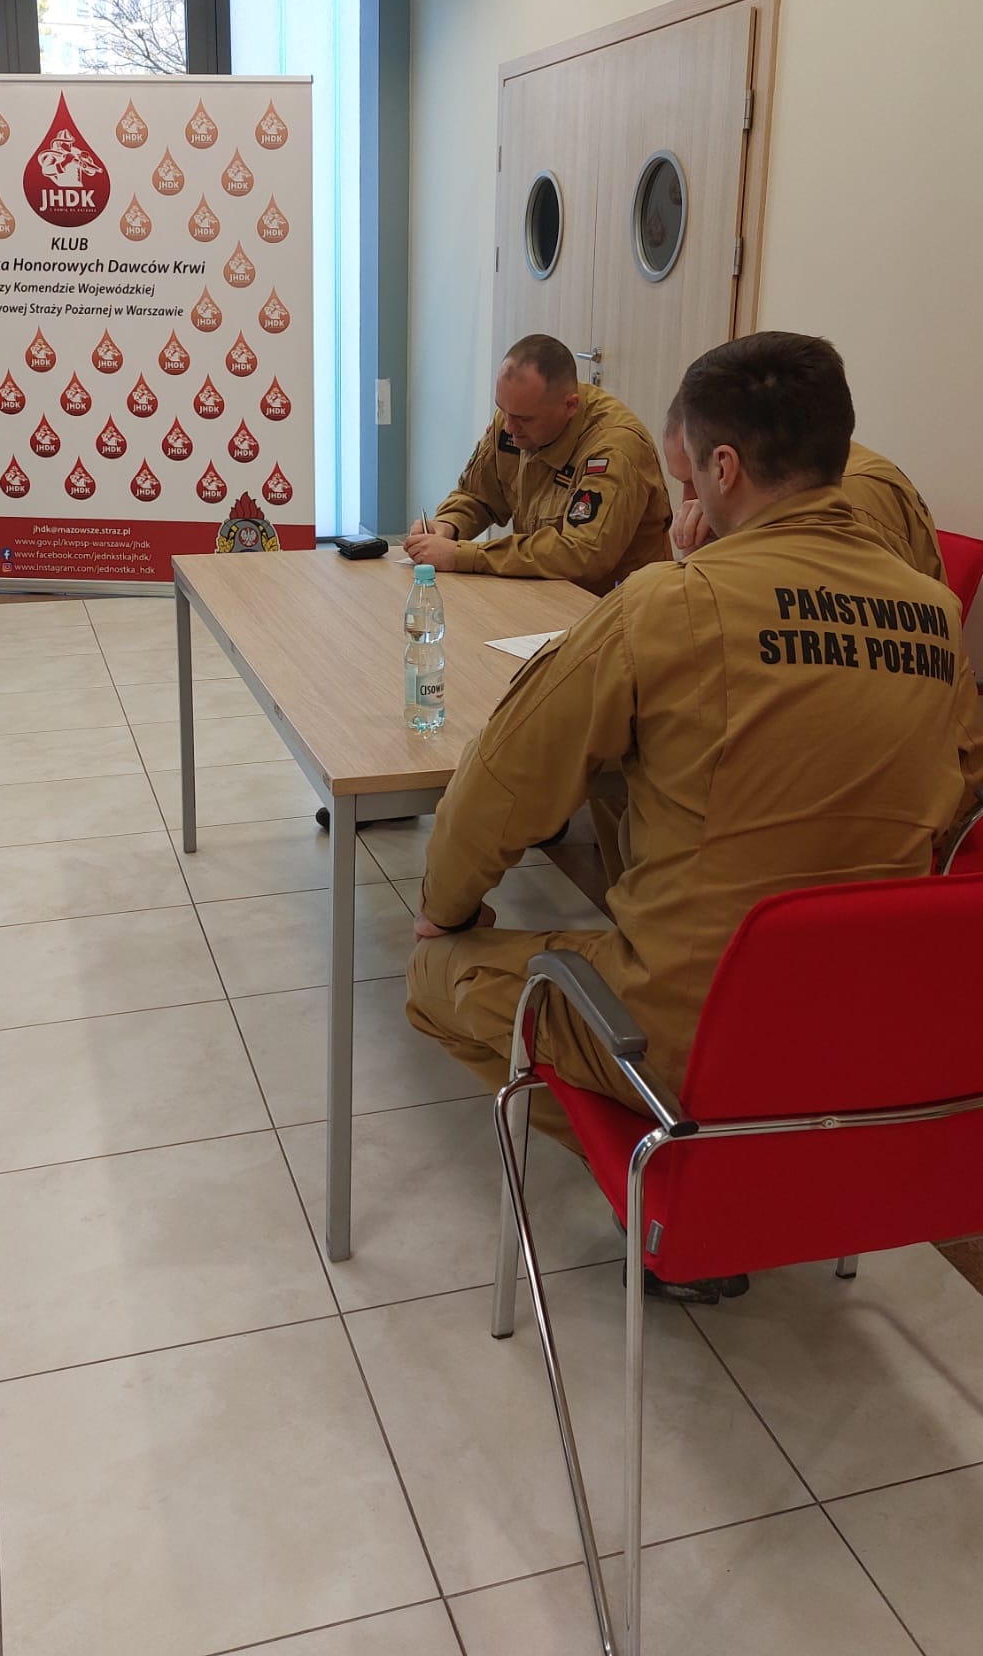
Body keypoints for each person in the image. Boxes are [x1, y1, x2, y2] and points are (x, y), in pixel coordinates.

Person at [406, 332, 983, 1300]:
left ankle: (679, 1197)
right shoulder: (933, 614)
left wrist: (442, 905)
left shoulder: (668, 604)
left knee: (433, 975)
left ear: (723, 467)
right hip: (864, 1032)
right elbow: (958, 783)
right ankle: (756, 1178)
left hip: (694, 1030)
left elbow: (503, 781)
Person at [403, 333, 672, 595]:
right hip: (543, 595)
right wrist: (447, 525)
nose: (509, 428)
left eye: (524, 419)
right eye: (502, 410)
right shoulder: (514, 419)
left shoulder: (613, 450)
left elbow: (582, 554)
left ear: (570, 406)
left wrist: (462, 556)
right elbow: (478, 495)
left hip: (611, 605)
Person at [663, 398, 946, 580]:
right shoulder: (807, 473)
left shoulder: (848, 497)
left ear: (728, 464)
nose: (687, 500)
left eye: (693, 481)